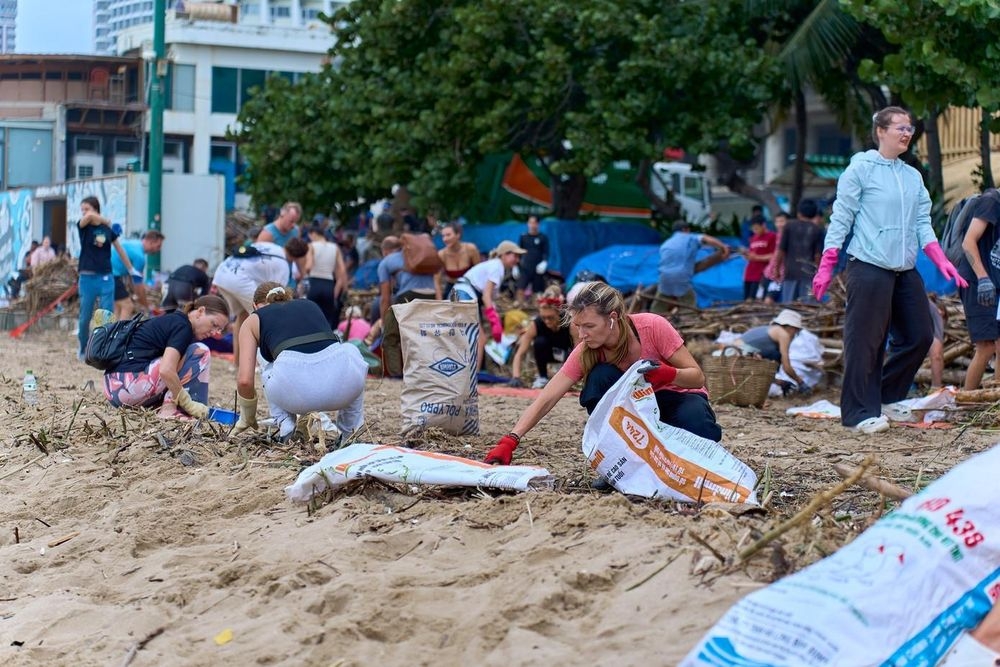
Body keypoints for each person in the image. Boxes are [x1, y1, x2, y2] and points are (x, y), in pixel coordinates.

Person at [814, 106, 967, 434]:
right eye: (899, 127)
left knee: (920, 334)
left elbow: (923, 222)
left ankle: (886, 396)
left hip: (904, 267)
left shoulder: (911, 175)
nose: (907, 133)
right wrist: (827, 263)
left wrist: (940, 258)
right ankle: (857, 413)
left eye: (909, 127)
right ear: (880, 131)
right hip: (868, 265)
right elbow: (842, 217)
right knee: (866, 341)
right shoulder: (862, 168)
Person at [484, 282, 721, 466]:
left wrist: (666, 374)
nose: (583, 334)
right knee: (599, 378)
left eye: (589, 326)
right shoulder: (587, 350)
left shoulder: (652, 326)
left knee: (698, 424)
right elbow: (548, 397)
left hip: (675, 399)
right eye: (578, 327)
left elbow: (696, 377)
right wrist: (511, 440)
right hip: (637, 413)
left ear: (612, 319)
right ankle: (620, 458)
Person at [232, 282, 367, 444]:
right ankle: (349, 431)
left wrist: (247, 416)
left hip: (295, 398)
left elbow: (245, 381)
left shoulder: (253, 320)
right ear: (288, 298)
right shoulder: (310, 305)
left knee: (268, 365)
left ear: (254, 306)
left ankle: (284, 422)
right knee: (350, 352)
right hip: (344, 391)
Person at [102, 295, 230, 419]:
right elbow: (166, 370)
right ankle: (169, 408)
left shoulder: (174, 320)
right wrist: (188, 404)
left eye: (219, 330)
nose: (215, 333)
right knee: (200, 350)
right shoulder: (183, 326)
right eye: (214, 324)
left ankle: (173, 405)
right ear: (200, 311)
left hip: (113, 390)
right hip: (127, 386)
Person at [212, 237, 310, 365]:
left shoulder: (270, 246)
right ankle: (258, 363)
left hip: (222, 272)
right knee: (262, 319)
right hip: (239, 280)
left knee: (241, 317)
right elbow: (278, 295)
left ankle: (237, 362)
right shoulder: (283, 266)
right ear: (299, 257)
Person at [76, 196, 144, 359]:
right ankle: (83, 347)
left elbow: (120, 250)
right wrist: (105, 219)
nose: (84, 213)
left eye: (86, 208)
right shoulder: (83, 227)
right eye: (82, 210)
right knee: (85, 317)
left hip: (106, 277)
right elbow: (90, 218)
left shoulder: (107, 230)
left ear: (95, 208)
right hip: (87, 277)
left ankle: (101, 348)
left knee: (106, 315)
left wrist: (130, 268)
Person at [454, 240, 526, 367]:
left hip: (462, 293)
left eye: (518, 257)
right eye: (514, 256)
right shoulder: (497, 267)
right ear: (504, 255)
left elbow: (488, 298)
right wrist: (494, 320)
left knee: (469, 338)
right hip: (464, 294)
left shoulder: (495, 266)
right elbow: (486, 296)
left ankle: (471, 376)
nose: (517, 260)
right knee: (479, 339)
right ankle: (473, 379)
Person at [956, 190, 1000, 390]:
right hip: (976, 281)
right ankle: (966, 400)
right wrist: (982, 277)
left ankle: (995, 397)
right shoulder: (991, 202)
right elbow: (968, 242)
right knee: (986, 346)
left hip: (995, 283)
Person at [652, 220, 730, 310]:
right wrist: (723, 247)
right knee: (689, 301)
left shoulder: (667, 243)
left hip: (664, 277)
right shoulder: (689, 237)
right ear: (686, 230)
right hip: (680, 277)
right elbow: (706, 239)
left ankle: (651, 319)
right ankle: (688, 319)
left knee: (660, 303)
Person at [509, 287, 575, 390]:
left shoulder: (570, 323)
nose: (547, 321)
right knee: (539, 342)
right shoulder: (537, 324)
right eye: (544, 317)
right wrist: (516, 376)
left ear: (558, 313)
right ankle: (542, 377)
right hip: (548, 354)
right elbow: (520, 353)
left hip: (568, 356)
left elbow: (580, 351)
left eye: (550, 317)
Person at [734, 309, 806, 390]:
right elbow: (786, 366)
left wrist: (778, 382)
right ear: (790, 327)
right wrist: (800, 382)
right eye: (796, 330)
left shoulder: (772, 329)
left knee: (774, 355)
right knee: (776, 355)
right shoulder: (783, 334)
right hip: (740, 355)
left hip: (738, 352)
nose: (795, 333)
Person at [775, 199, 825, 303]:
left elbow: (781, 250)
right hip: (809, 274)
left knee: (789, 307)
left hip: (790, 273)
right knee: (807, 308)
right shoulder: (817, 229)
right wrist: (819, 274)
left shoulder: (789, 226)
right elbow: (817, 256)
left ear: (799, 213)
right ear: (814, 214)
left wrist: (777, 269)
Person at [111, 229, 165, 319]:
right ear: (151, 242)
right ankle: (121, 332)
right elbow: (138, 288)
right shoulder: (140, 257)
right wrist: (148, 307)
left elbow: (134, 282)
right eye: (158, 246)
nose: (158, 250)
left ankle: (111, 331)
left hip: (107, 272)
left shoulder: (134, 243)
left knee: (118, 307)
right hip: (111, 275)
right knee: (128, 306)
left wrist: (143, 290)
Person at [305, 222, 348, 329]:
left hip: (314, 283)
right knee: (327, 319)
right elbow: (342, 270)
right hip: (328, 284)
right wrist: (337, 290)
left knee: (310, 316)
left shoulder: (311, 246)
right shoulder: (335, 247)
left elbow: (308, 266)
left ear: (313, 234)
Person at [437, 221, 481, 299]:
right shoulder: (442, 254)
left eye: (448, 235)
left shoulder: (470, 249)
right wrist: (439, 300)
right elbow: (437, 280)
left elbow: (479, 272)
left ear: (458, 235)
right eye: (443, 236)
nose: (445, 239)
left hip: (471, 287)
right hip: (452, 287)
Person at [515, 215, 550, 304]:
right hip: (525, 267)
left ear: (538, 224)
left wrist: (544, 262)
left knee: (537, 292)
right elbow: (518, 252)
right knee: (520, 289)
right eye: (530, 222)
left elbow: (546, 252)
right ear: (527, 224)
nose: (532, 225)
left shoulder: (543, 237)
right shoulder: (523, 237)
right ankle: (520, 308)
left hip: (538, 268)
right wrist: (515, 266)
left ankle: (536, 311)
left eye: (534, 223)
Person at [742, 216, 777, 301]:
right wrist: (747, 255)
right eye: (753, 229)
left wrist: (756, 257)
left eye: (757, 228)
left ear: (764, 225)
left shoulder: (772, 236)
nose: (755, 231)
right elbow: (752, 254)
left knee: (756, 300)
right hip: (749, 273)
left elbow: (773, 256)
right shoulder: (753, 238)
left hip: (761, 274)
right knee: (747, 299)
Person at [762, 211, 789, 303]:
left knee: (769, 300)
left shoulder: (789, 237)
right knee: (761, 298)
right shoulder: (776, 236)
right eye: (777, 222)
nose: (779, 224)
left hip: (779, 274)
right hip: (768, 273)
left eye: (782, 221)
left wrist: (777, 269)